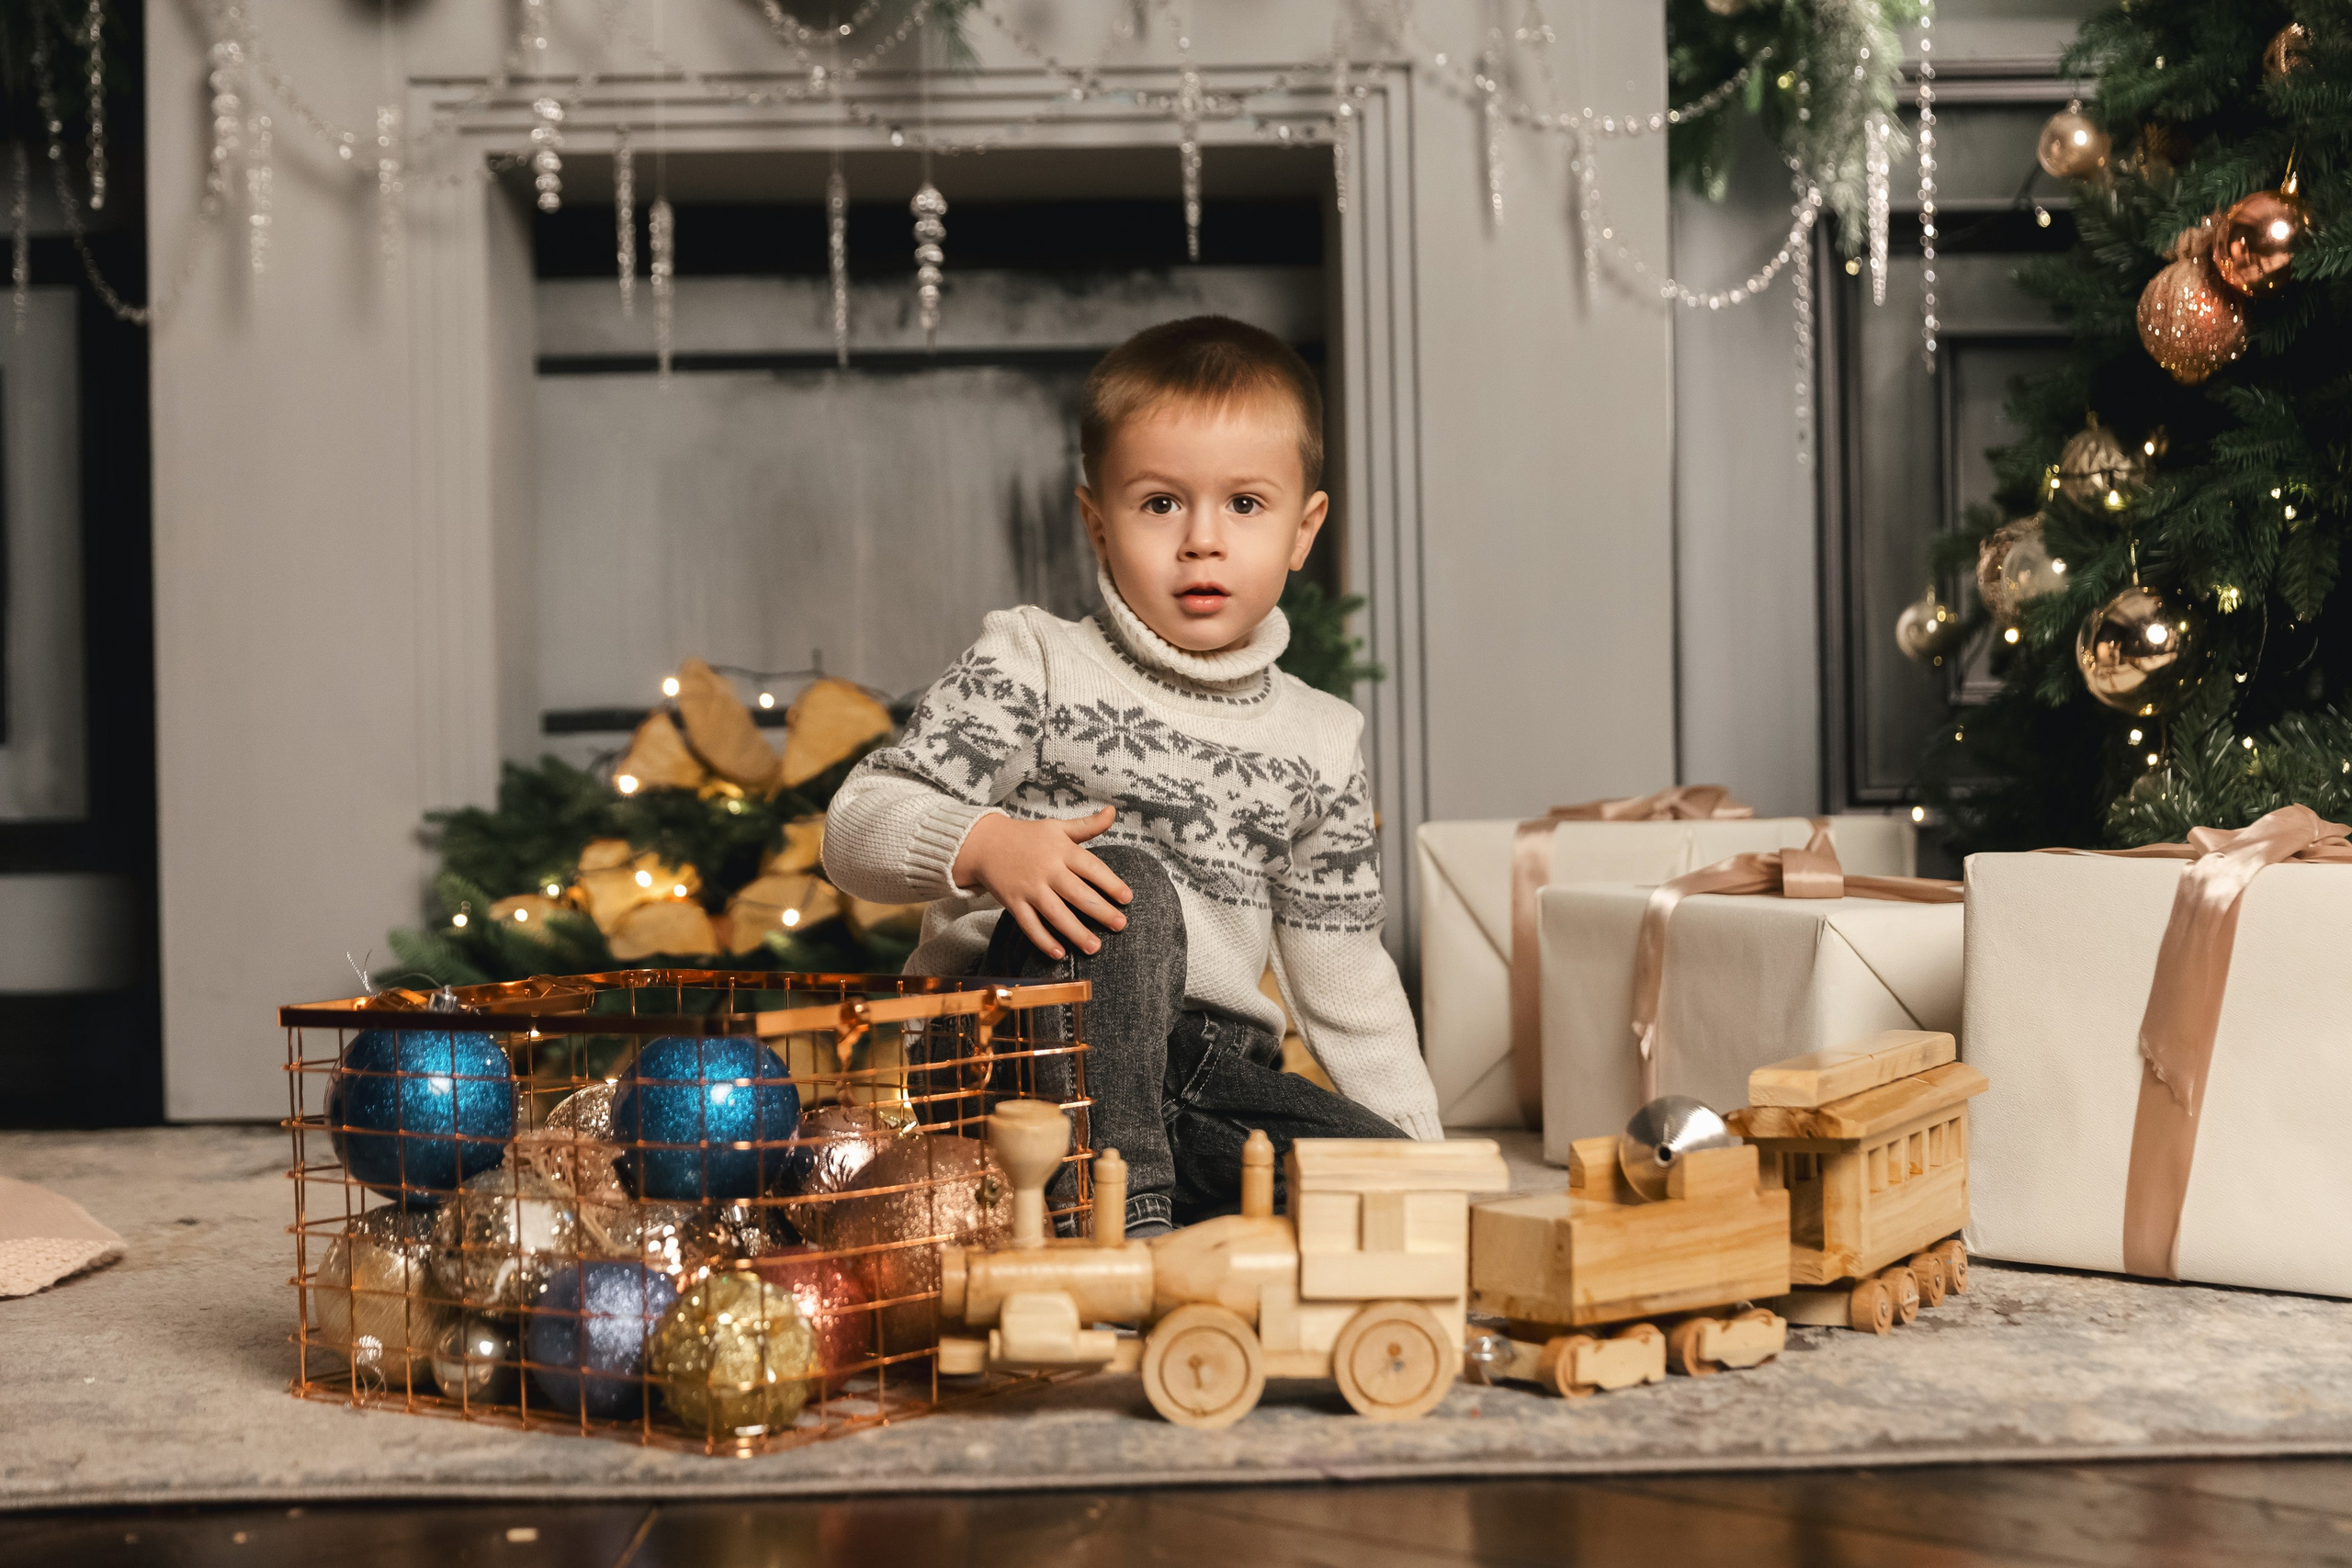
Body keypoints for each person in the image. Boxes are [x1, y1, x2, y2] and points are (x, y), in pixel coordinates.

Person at [824, 315, 1442, 1235]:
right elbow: (855, 825)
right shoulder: (1032, 663)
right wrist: (986, 843)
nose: (1202, 540)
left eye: (1244, 505)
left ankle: (1167, 1199)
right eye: (1159, 504)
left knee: (1392, 1190)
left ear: (1302, 529)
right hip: (1013, 1060)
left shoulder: (1319, 740)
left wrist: (1426, 1153)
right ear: (1097, 522)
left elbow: (1345, 972)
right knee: (1129, 884)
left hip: (1198, 1079)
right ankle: (1120, 1221)